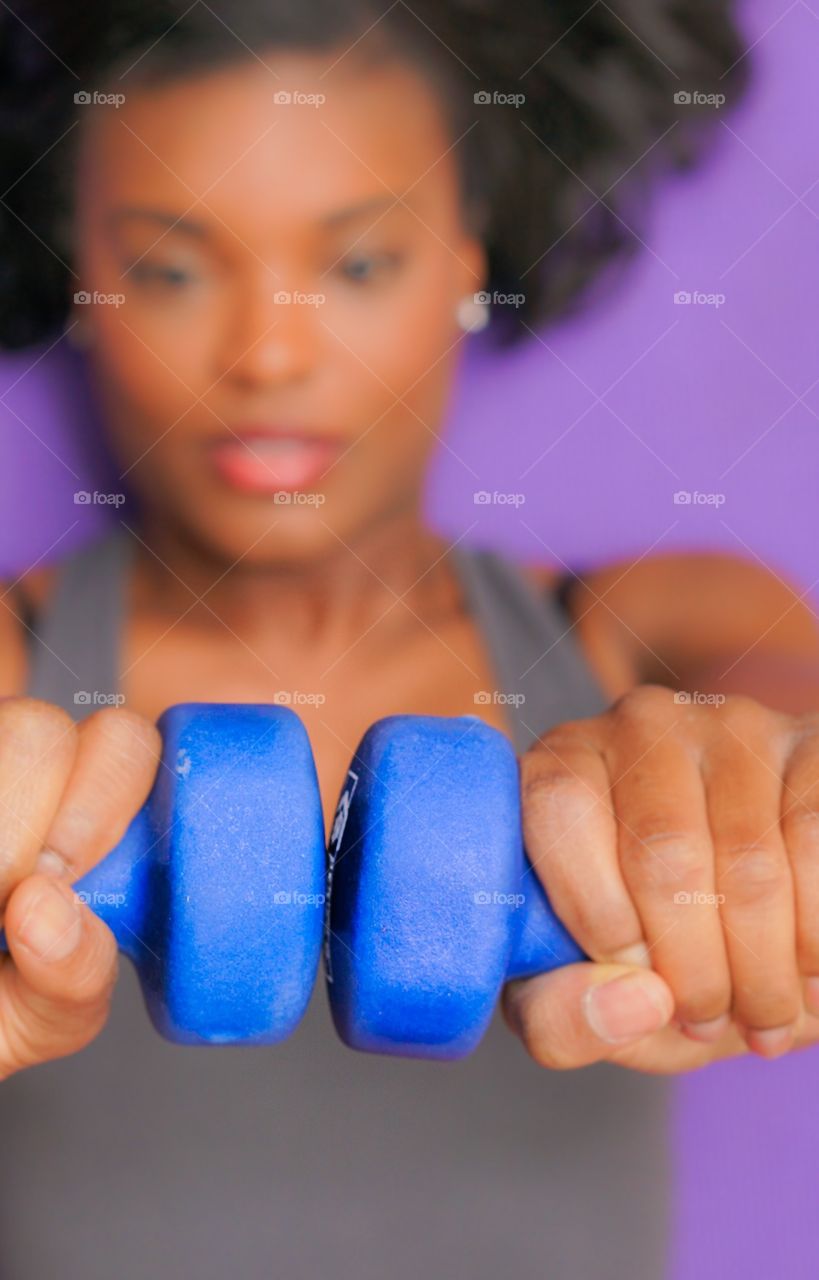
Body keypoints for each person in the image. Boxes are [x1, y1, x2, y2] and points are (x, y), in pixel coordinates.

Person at [1, 1, 817, 1276]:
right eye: (170, 265)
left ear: (465, 261)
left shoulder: (670, 626)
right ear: (83, 284)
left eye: (360, 262)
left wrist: (767, 810)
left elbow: (791, 713)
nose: (268, 355)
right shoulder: (13, 670)